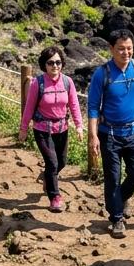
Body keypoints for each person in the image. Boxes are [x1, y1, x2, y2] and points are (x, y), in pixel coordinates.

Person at [86, 29, 134, 238]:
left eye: (129, 48)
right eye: (121, 49)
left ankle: (120, 199)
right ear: (111, 49)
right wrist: (93, 135)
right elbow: (92, 107)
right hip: (109, 134)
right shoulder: (102, 73)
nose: (126, 53)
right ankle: (116, 218)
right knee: (112, 177)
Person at [19, 46, 81, 213]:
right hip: (42, 129)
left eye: (58, 62)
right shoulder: (37, 83)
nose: (55, 66)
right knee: (52, 163)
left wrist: (79, 126)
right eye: (51, 63)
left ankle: (48, 176)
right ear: (44, 65)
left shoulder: (68, 82)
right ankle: (55, 197)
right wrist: (23, 128)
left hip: (62, 128)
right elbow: (29, 107)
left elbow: (74, 105)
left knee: (61, 162)